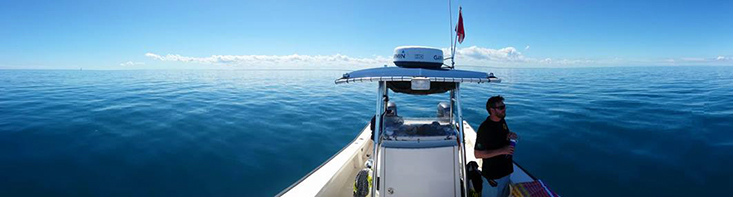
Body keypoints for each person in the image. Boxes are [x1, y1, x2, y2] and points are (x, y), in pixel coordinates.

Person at [474, 95, 518, 197]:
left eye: (504, 106)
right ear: (492, 110)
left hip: (506, 172)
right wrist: (503, 150)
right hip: (493, 176)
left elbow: (501, 136)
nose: (504, 109)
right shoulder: (485, 129)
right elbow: (478, 154)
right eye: (501, 107)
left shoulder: (501, 120)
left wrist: (510, 136)